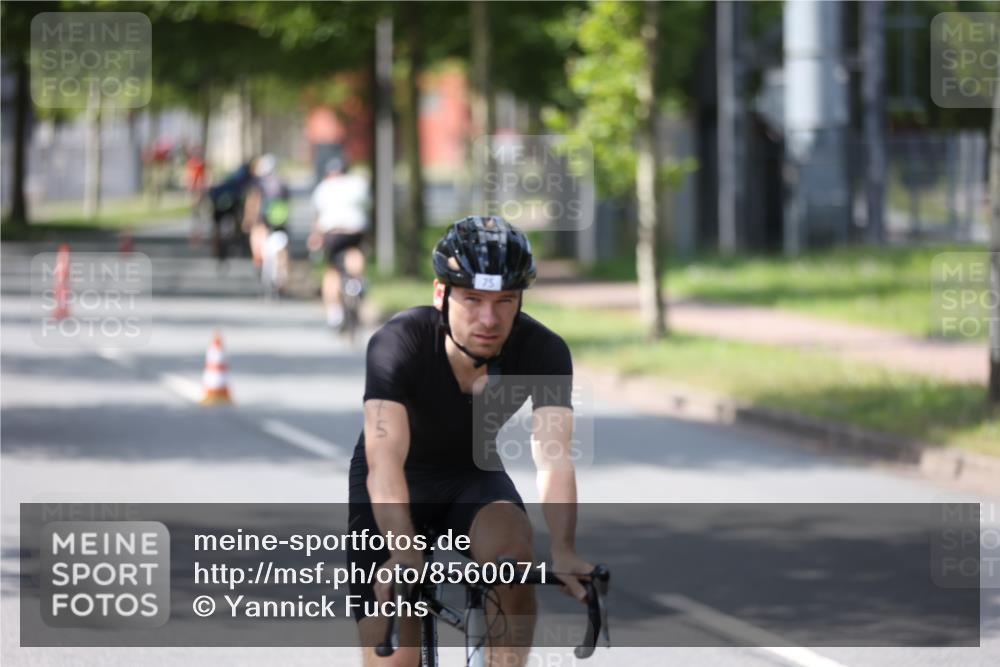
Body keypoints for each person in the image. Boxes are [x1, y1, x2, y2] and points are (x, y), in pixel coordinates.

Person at [348, 216, 593, 666]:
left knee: (514, 568)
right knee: (394, 655)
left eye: (505, 301)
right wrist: (403, 548)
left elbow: (554, 457)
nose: (489, 318)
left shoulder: (544, 351)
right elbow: (384, 461)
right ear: (441, 295)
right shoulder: (397, 343)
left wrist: (563, 547)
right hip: (395, 482)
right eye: (472, 299)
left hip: (472, 476)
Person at [308, 157, 369, 329]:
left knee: (332, 270)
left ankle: (335, 312)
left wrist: (316, 236)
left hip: (333, 232)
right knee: (354, 252)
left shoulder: (324, 187)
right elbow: (366, 204)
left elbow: (318, 216)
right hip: (355, 229)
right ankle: (357, 281)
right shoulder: (357, 183)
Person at [243, 154, 291, 285]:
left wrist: (248, 219)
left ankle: (258, 262)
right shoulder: (282, 183)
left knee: (257, 237)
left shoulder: (258, 184)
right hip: (280, 220)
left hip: (262, 220)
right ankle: (283, 275)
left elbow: (253, 202)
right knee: (282, 247)